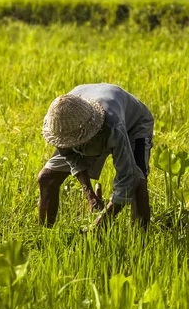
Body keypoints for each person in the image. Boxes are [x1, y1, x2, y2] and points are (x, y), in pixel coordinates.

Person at [38, 83, 154, 230]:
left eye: (77, 139)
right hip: (85, 124)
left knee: (138, 181)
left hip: (134, 125)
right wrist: (90, 195)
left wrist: (101, 222)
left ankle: (141, 240)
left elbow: (128, 177)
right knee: (46, 178)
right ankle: (44, 235)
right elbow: (71, 157)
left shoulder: (113, 127)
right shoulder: (58, 122)